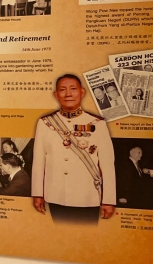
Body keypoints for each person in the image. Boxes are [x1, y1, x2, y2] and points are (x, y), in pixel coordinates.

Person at [32, 74, 116, 224]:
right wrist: (37, 193)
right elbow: (39, 162)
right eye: (63, 90)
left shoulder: (96, 123)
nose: (68, 94)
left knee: (87, 240)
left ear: (82, 92)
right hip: (55, 194)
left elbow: (107, 165)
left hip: (87, 196)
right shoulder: (45, 123)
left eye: (73, 89)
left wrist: (108, 200)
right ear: (56, 95)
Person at [115, 145, 152, 210]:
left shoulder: (139, 165)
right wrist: (122, 196)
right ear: (131, 152)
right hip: (127, 198)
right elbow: (122, 180)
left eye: (141, 153)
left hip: (137, 198)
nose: (141, 155)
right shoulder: (125, 164)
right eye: (139, 152)